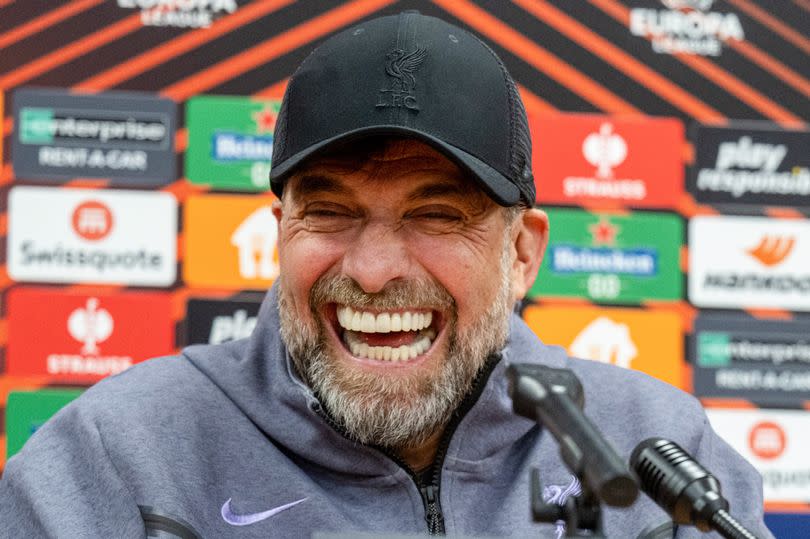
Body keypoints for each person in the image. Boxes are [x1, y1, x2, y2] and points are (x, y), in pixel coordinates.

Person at [0, 11, 772, 539]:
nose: (371, 271)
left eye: (436, 214)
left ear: (523, 252)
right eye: (329, 211)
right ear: (280, 234)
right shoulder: (114, 456)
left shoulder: (659, 449)